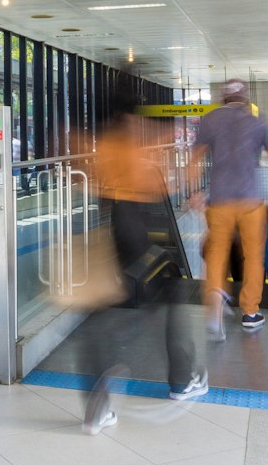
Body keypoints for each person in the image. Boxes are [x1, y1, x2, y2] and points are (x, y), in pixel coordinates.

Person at [82, 97, 207, 433]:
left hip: (107, 231)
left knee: (101, 313)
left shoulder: (103, 143)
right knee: (173, 292)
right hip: (133, 231)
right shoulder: (131, 142)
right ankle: (183, 379)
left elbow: (90, 176)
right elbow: (155, 183)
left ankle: (96, 405)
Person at [191, 80, 268, 335]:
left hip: (219, 199)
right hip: (251, 199)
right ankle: (251, 312)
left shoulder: (209, 120)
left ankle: (216, 299)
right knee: (253, 255)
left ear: (223, 99)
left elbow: (194, 159)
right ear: (244, 98)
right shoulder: (257, 119)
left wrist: (194, 193)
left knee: (217, 251)